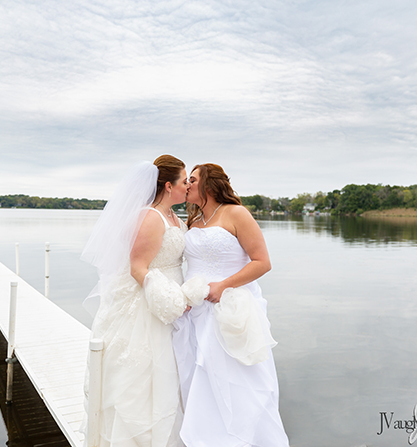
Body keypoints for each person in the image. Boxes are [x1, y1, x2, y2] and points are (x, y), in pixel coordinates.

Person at [172, 163, 290, 447]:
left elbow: (263, 262)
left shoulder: (236, 213)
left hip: (231, 309)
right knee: (200, 379)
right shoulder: (194, 219)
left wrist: (224, 285)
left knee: (240, 383)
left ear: (210, 185)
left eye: (193, 179)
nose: (187, 184)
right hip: (195, 313)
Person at [81, 155, 189, 447]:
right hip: (150, 304)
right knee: (144, 378)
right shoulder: (149, 216)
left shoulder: (174, 217)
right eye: (183, 181)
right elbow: (138, 267)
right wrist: (168, 298)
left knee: (170, 376)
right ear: (168, 186)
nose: (187, 187)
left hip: (174, 299)